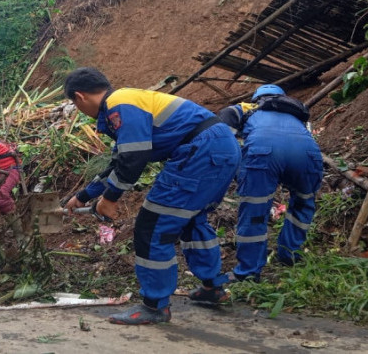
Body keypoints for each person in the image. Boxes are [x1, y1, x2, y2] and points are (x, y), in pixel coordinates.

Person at [63, 67, 241, 325]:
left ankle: (155, 306)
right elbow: (119, 162)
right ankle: (213, 288)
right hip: (219, 149)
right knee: (191, 219)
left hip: (200, 153)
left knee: (151, 226)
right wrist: (83, 196)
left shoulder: (120, 104)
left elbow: (134, 158)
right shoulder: (126, 102)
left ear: (79, 97)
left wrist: (110, 199)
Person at [217, 84, 323, 282]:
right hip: (308, 154)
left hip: (263, 153)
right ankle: (289, 254)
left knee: (255, 212)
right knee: (303, 203)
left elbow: (221, 139)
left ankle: (249, 271)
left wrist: (237, 171)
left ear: (257, 98)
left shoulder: (246, 108)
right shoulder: (296, 112)